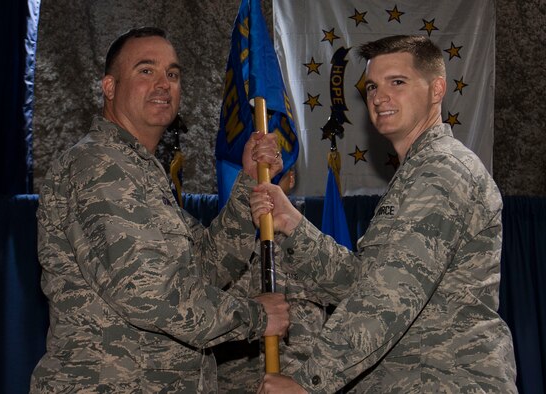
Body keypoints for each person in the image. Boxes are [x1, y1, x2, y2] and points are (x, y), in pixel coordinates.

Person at [250, 35, 517, 393]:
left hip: (442, 380)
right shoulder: (416, 173)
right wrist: (293, 224)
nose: (379, 97)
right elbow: (360, 282)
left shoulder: (443, 170)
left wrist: (308, 383)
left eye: (398, 82)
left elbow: (389, 295)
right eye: (372, 86)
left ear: (436, 89)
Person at [30, 27, 290, 393]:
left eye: (172, 73)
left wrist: (247, 184)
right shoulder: (98, 165)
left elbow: (204, 269)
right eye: (145, 70)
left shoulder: (140, 171)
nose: (164, 83)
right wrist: (255, 316)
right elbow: (148, 293)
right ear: (109, 87)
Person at [215, 168, 328, 393]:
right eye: (260, 177)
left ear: (292, 178)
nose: (266, 186)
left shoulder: (317, 254)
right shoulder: (223, 252)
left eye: (275, 175)